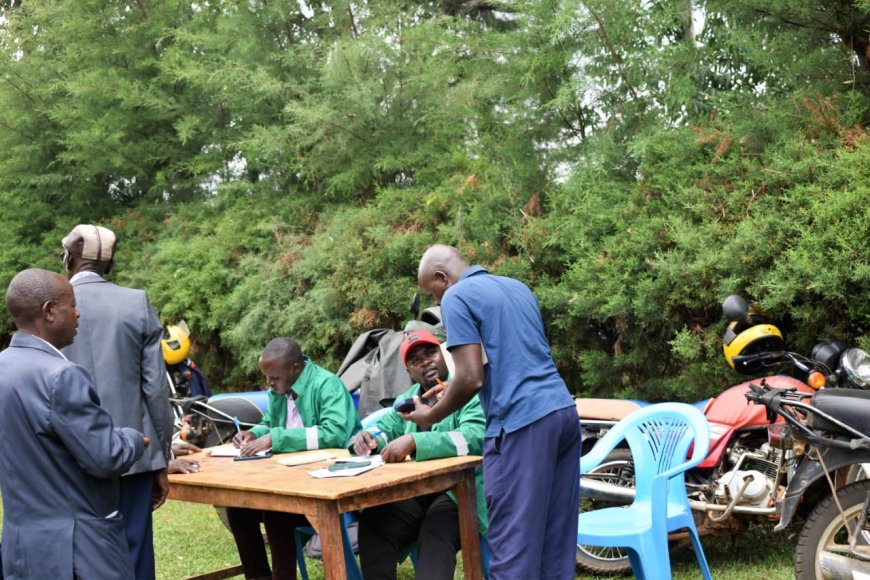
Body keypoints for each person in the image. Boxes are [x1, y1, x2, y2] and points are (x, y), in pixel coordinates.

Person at [409, 245, 581, 579]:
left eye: (433, 293)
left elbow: (472, 377)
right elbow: (511, 358)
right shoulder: (517, 288)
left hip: (521, 425)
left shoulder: (457, 297)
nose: (438, 302)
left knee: (513, 550)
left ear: (442, 278)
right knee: (555, 544)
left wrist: (430, 416)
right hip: (561, 413)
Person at [0, 268, 147, 579]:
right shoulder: (62, 376)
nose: (78, 312)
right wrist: (133, 438)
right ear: (51, 311)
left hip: (22, 549)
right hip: (79, 550)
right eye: (72, 304)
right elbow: (105, 456)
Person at [60, 224, 174, 580]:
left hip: (71, 456)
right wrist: (162, 457)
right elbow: (155, 389)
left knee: (79, 553)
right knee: (135, 550)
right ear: (109, 266)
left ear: (69, 260)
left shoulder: (51, 307)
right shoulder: (135, 302)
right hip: (133, 455)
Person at [349, 330, 486, 580]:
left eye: (431, 352)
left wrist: (415, 441)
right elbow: (385, 428)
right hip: (417, 492)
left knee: (435, 534)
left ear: (444, 355)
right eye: (415, 361)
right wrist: (369, 438)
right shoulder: (407, 400)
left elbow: (476, 438)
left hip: (459, 494)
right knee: (374, 523)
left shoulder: (465, 389)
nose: (425, 362)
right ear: (408, 371)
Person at [227, 337, 361, 580]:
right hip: (290, 482)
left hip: (328, 486)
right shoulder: (278, 388)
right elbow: (269, 423)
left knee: (276, 512)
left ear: (295, 369)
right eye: (267, 377)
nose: (269, 383)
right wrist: (253, 433)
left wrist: (276, 438)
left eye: (274, 378)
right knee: (238, 509)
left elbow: (334, 434)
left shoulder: (327, 385)